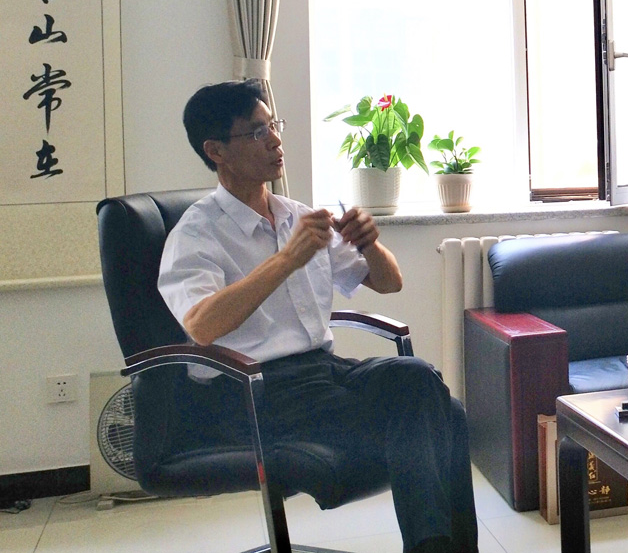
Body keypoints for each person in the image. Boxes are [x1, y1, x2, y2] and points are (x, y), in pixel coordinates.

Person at [158, 80, 477, 553]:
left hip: (323, 374)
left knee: (419, 383)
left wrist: (370, 243)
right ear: (216, 151)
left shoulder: (297, 215)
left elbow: (389, 282)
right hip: (254, 393)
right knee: (443, 412)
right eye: (257, 132)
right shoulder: (197, 233)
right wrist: (286, 260)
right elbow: (202, 325)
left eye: (273, 126)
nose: (275, 140)